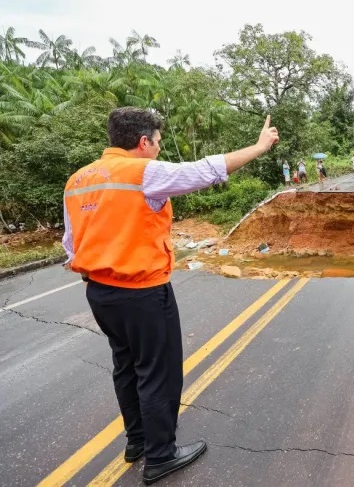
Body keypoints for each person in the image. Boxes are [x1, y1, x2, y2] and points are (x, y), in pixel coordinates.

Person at [61, 107, 279, 485]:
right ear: (143, 142)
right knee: (157, 374)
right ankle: (160, 456)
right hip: (142, 292)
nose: (159, 149)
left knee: (126, 367)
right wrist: (260, 147)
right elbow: (206, 170)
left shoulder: (78, 180)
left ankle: (138, 443)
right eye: (158, 142)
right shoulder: (143, 172)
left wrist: (93, 277)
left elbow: (70, 242)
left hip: (99, 293)